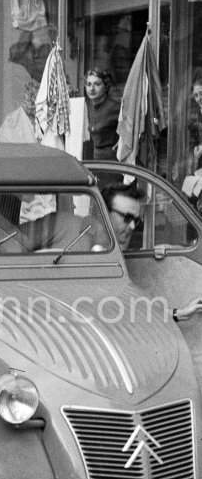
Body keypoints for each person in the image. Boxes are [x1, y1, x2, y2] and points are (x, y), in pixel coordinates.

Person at [102, 181, 202, 321]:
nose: (132, 227)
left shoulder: (115, 256)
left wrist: (178, 313)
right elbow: (123, 314)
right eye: (127, 218)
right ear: (103, 214)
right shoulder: (91, 256)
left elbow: (132, 311)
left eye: (136, 221)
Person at [85, 69, 120, 160]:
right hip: (97, 158)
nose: (92, 88)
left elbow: (133, 122)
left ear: (106, 86)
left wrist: (122, 142)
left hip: (113, 161)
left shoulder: (114, 107)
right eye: (89, 84)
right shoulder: (89, 106)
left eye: (97, 84)